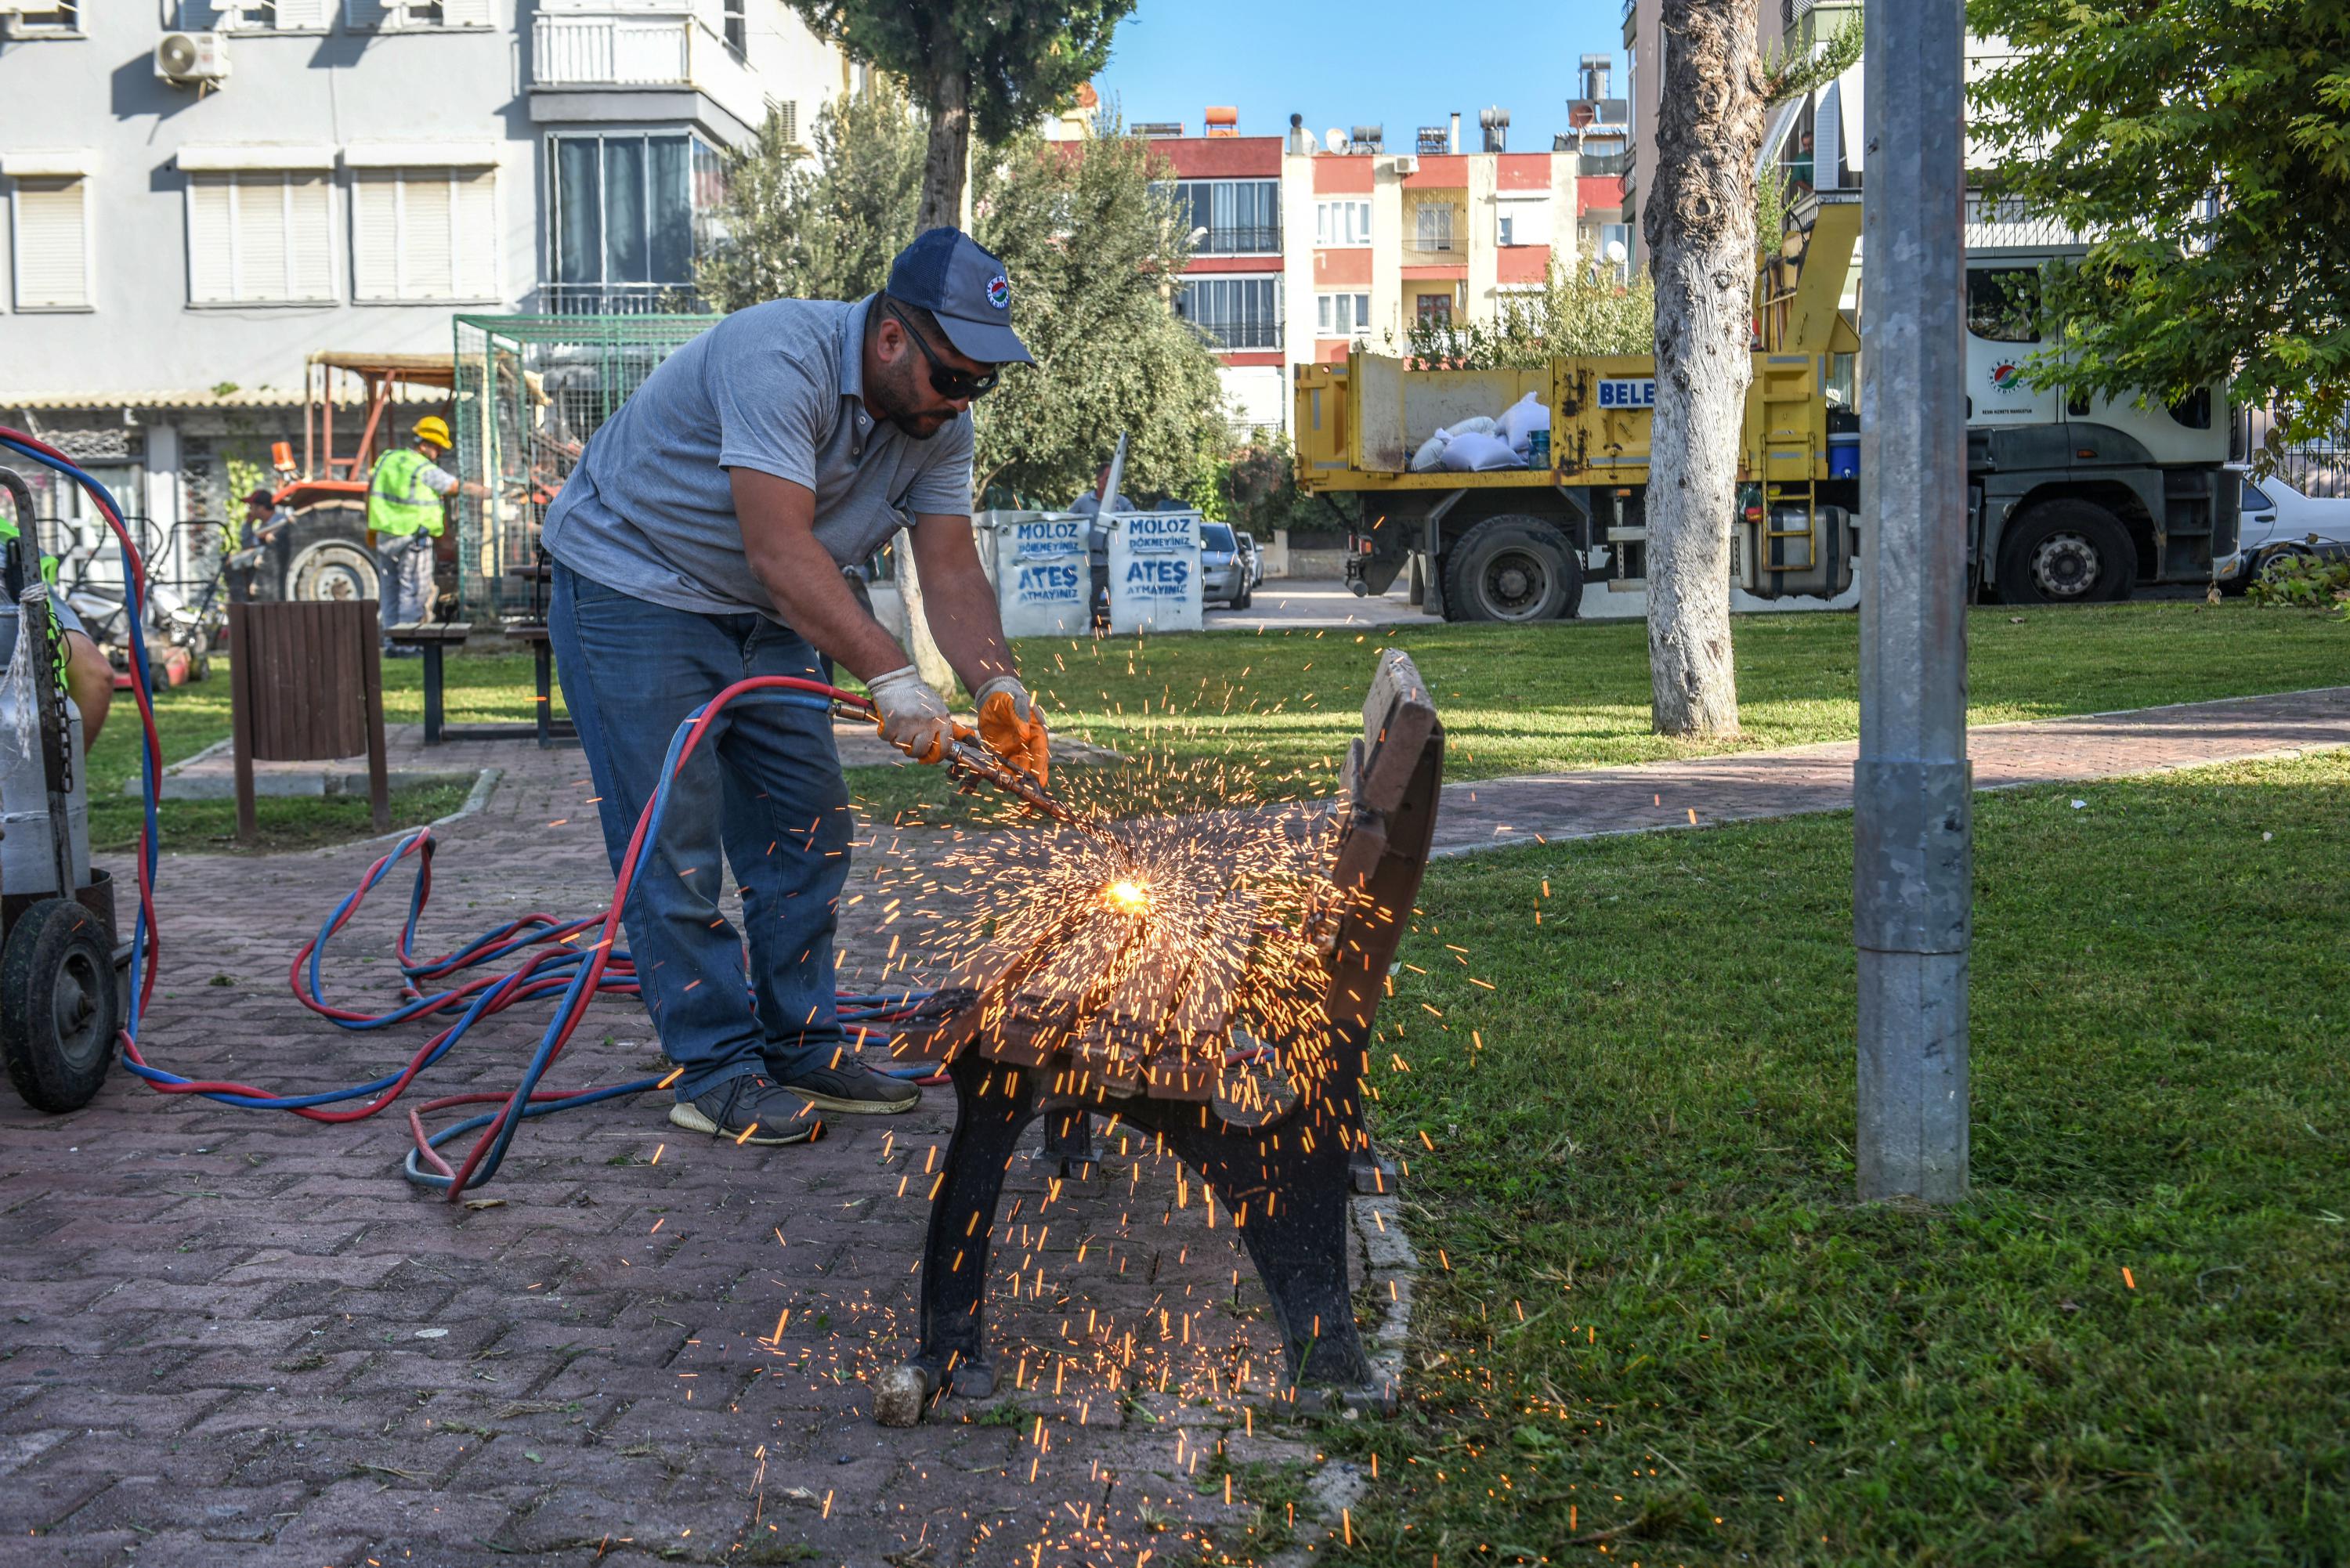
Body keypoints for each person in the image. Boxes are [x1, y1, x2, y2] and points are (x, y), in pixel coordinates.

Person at [540, 226, 1051, 1147]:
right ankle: (718, 1068)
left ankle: (802, 1042)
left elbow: (950, 571)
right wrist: (890, 676)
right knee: (674, 839)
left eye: (984, 381)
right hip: (634, 584)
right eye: (954, 376)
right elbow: (780, 551)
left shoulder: (941, 423)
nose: (964, 398)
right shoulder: (778, 355)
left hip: (769, 609)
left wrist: (997, 686)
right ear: (892, 337)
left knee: (806, 827)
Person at [366, 416, 483, 652]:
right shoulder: (422, 467)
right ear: (425, 444)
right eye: (437, 447)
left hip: (385, 536)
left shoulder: (387, 459)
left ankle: (391, 644)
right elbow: (454, 487)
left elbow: (370, 490)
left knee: (390, 594)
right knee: (413, 592)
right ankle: (407, 646)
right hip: (412, 539)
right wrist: (493, 492)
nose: (438, 453)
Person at [0, 511, 110, 746]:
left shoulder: (13, 555)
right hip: (27, 746)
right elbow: (95, 675)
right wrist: (65, 777)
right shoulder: (14, 554)